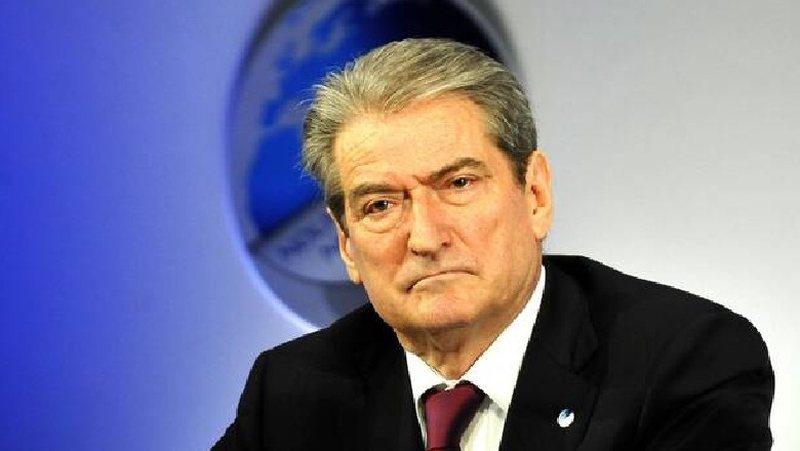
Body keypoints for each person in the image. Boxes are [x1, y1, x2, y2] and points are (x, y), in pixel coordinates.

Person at [213, 38, 773, 451]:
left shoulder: (683, 363)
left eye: (458, 184)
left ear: (535, 194)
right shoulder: (293, 393)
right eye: (380, 205)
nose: (426, 237)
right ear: (346, 246)